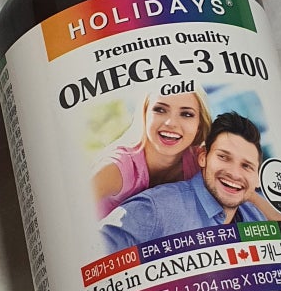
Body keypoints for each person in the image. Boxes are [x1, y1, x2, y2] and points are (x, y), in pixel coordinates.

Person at [101, 112, 267, 253]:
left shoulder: (257, 218)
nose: (235, 173)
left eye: (246, 166)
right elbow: (95, 255)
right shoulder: (154, 209)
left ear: (257, 178)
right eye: (223, 157)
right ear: (203, 157)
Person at [93, 89, 212, 218]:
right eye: (160, 110)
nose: (171, 123)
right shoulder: (115, 167)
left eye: (186, 114)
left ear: (199, 125)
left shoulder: (202, 161)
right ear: (144, 114)